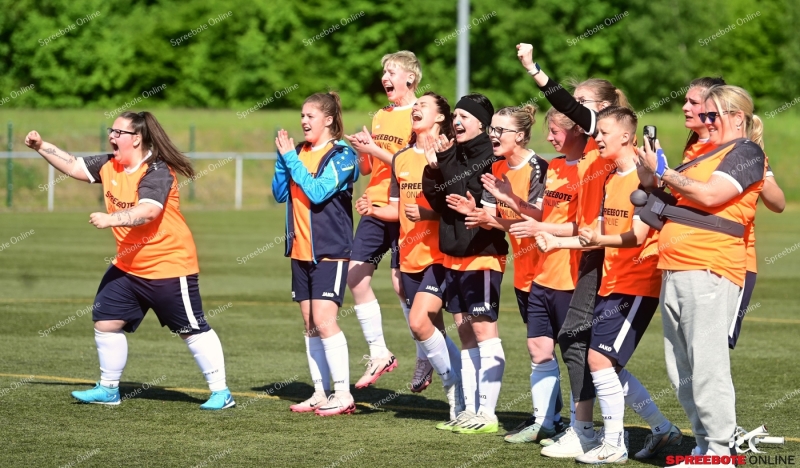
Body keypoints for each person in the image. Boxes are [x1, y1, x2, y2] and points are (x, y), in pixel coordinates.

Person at [25, 111, 234, 410]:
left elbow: (148, 211)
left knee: (191, 329)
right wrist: (40, 146)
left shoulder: (156, 171)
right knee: (106, 321)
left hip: (168, 266)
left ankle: (221, 393)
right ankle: (109, 389)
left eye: (118, 133)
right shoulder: (110, 164)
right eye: (111, 131)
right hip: (128, 266)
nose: (111, 137)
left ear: (136, 139)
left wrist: (112, 218)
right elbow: (73, 164)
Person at [538, 107, 682, 463]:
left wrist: (597, 238)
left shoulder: (645, 180)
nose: (597, 138)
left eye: (603, 132)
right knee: (608, 364)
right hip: (611, 283)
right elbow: (599, 236)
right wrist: (558, 242)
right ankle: (662, 429)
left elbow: (635, 238)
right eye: (597, 132)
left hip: (636, 285)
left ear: (626, 137)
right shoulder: (611, 179)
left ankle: (614, 443)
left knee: (598, 359)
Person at [514, 42, 634, 456]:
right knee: (592, 349)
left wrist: (535, 70)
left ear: (603, 110)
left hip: (603, 255)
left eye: (583, 103)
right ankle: (647, 426)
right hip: (585, 251)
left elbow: (568, 106)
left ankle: (589, 431)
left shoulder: (602, 148)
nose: (575, 111)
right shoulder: (580, 156)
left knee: (585, 344)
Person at [637, 85, 766, 458]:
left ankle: (720, 453)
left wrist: (665, 172)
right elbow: (674, 197)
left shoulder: (746, 152)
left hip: (710, 266)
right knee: (682, 370)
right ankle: (705, 446)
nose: (704, 122)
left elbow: (711, 196)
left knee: (707, 366)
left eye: (712, 116)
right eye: (703, 115)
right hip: (676, 266)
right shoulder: (704, 153)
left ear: (736, 118)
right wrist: (653, 173)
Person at [472, 107, 587, 446]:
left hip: (556, 271)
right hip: (528, 276)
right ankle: (548, 420)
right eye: (491, 129)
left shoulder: (541, 168)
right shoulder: (495, 167)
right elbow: (501, 219)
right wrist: (479, 214)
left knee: (573, 353)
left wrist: (509, 204)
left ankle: (580, 426)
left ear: (520, 135)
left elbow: (536, 222)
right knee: (540, 350)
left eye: (500, 130)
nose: (493, 135)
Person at [421, 93, 508, 434]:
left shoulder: (489, 154)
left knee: (484, 329)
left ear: (482, 125)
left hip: (482, 253)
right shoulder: (454, 152)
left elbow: (466, 191)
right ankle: (471, 410)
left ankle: (488, 414)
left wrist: (444, 161)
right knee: (466, 331)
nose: (456, 122)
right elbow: (444, 202)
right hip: (454, 255)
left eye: (464, 117)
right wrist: (432, 169)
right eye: (454, 115)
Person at [677, 77, 785, 350]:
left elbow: (778, 202)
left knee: (713, 348)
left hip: (731, 259)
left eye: (694, 102)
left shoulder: (744, 151)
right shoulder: (694, 149)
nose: (685, 107)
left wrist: (754, 174)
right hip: (692, 255)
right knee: (691, 348)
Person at [272, 92, 359, 416]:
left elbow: (319, 191)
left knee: (325, 321)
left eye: (310, 115)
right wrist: (284, 160)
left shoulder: (343, 155)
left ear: (329, 120)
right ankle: (320, 391)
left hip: (330, 250)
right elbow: (280, 192)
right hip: (300, 250)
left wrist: (290, 161)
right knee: (309, 323)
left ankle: (342, 393)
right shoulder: (297, 152)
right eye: (302, 116)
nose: (304, 121)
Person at [345, 51, 424, 390]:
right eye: (384, 72)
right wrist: (363, 148)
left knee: (401, 284)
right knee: (355, 275)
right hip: (375, 204)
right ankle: (380, 353)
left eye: (392, 71)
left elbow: (408, 164)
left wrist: (375, 151)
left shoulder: (421, 116)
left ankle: (425, 351)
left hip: (407, 206)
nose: (385, 77)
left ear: (411, 78)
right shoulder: (380, 115)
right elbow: (369, 168)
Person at [388, 92, 464, 419]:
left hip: (442, 256)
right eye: (414, 106)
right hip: (409, 257)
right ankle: (464, 390)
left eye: (424, 106)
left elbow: (456, 208)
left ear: (440, 119)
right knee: (433, 329)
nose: (415, 109)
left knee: (422, 324)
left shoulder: (451, 155)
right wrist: (375, 210)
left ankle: (458, 392)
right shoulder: (401, 158)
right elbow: (398, 209)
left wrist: (428, 214)